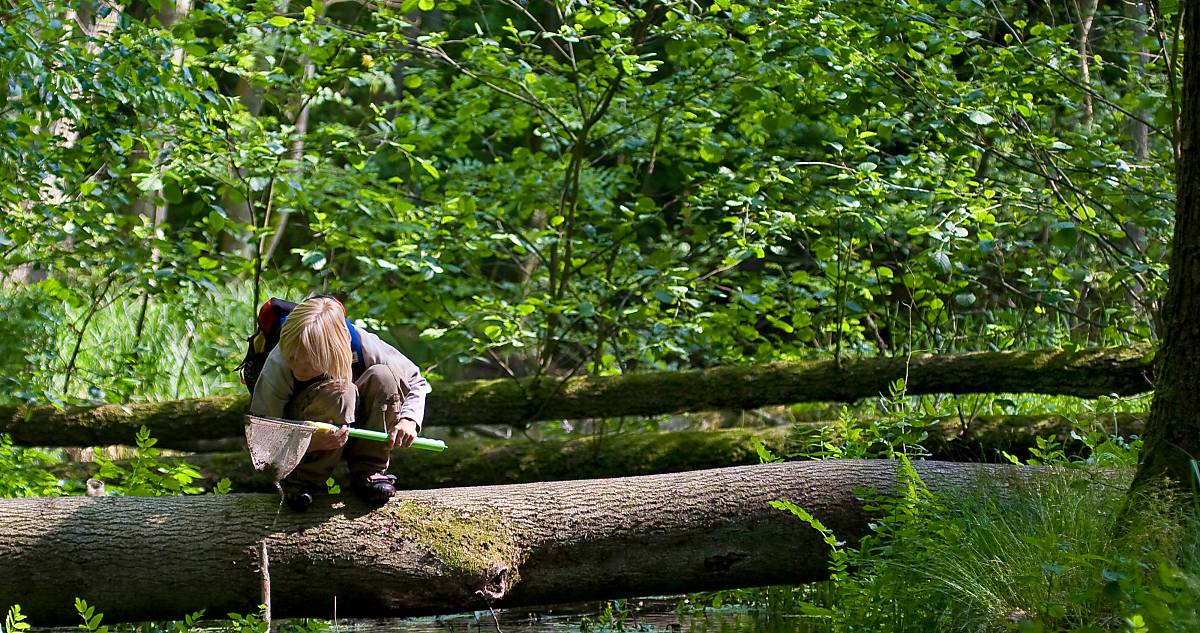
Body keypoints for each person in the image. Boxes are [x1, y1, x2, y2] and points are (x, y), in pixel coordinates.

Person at [248, 296, 431, 511]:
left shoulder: (362, 345)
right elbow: (261, 435)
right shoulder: (279, 362)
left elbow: (416, 380)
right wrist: (307, 441)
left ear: (332, 352)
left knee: (384, 377)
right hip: (300, 439)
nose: (297, 366)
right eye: (292, 358)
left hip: (355, 423)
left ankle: (369, 470)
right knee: (341, 393)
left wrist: (409, 419)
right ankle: (301, 479)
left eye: (306, 363)